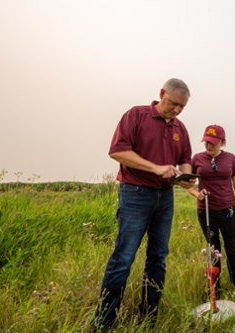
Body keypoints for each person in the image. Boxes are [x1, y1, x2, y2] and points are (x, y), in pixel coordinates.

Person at [92, 78, 196, 332]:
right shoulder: (136, 115)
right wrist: (156, 168)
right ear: (161, 94)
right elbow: (117, 151)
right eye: (173, 103)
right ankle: (104, 323)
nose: (177, 110)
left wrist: (185, 177)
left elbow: (185, 160)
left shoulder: (180, 129)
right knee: (124, 258)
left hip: (165, 197)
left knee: (158, 258)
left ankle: (148, 318)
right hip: (135, 193)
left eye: (182, 107)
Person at [187, 125, 235, 297]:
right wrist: (196, 193)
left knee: (231, 249)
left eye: (213, 143)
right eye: (206, 142)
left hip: (228, 210)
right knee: (213, 249)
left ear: (222, 142)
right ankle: (215, 288)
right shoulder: (197, 159)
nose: (209, 146)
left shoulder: (230, 158)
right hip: (206, 211)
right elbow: (189, 184)